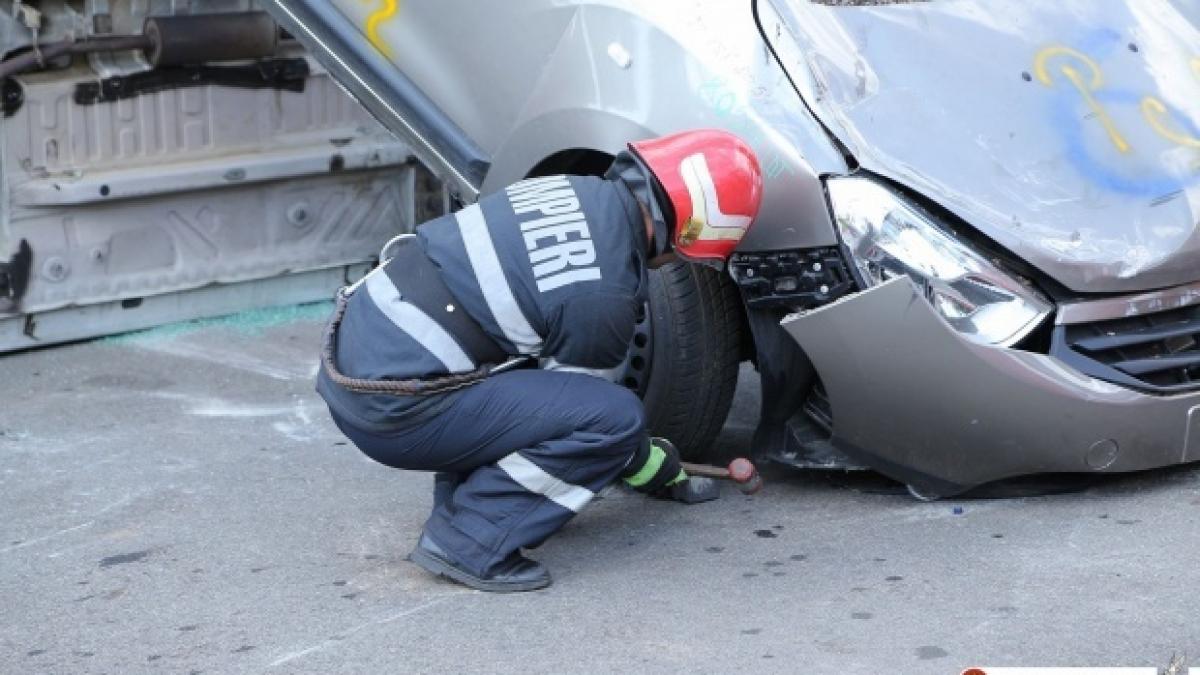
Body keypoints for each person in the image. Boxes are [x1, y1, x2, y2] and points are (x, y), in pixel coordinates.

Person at [316, 129, 763, 592]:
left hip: (356, 359)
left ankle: (466, 505)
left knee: (515, 376)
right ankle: (468, 541)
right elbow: (588, 417)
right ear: (690, 230)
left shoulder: (570, 188)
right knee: (614, 418)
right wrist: (654, 465)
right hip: (393, 410)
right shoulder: (604, 293)